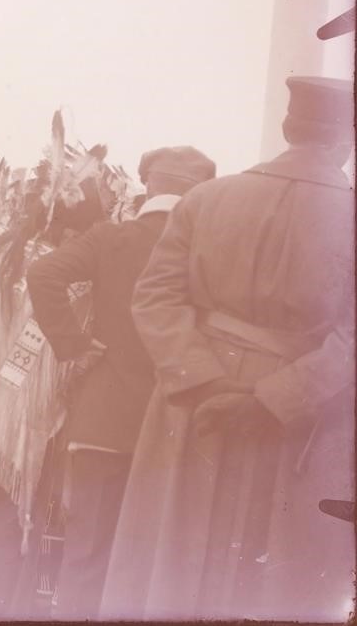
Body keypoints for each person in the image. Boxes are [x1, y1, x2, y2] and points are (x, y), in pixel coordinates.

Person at [101, 77, 355, 621]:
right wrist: (271, 400)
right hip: (297, 424)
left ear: (288, 130)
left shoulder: (205, 198)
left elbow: (155, 299)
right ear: (345, 142)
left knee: (174, 559)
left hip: (196, 408)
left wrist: (207, 382)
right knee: (272, 580)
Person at [26, 146, 216, 619]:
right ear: (199, 193)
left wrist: (74, 343)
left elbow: (43, 272)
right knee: (148, 560)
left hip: (101, 422)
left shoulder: (110, 237)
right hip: (172, 425)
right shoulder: (204, 246)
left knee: (86, 552)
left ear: (149, 187)